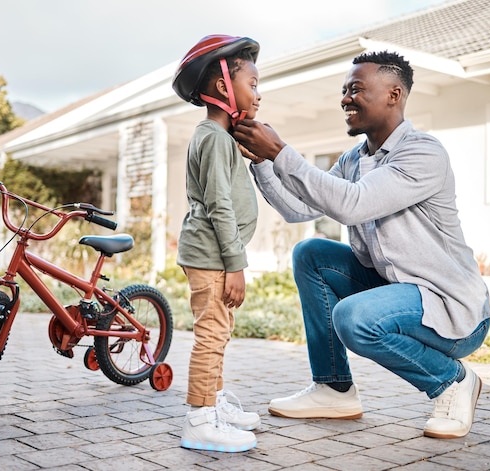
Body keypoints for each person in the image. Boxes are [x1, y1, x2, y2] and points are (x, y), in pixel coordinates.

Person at [233, 50, 490, 439]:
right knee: (312, 254)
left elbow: (353, 204)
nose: (345, 99)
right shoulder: (355, 158)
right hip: (398, 293)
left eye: (356, 89)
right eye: (344, 91)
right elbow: (298, 209)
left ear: (394, 94)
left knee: (355, 318)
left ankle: (452, 382)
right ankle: (333, 388)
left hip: (451, 307)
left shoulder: (423, 152)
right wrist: (263, 163)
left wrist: (281, 151)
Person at [171, 34, 262, 452]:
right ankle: (200, 420)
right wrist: (237, 263)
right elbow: (219, 206)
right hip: (213, 257)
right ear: (225, 87)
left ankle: (215, 403)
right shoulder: (211, 137)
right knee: (211, 335)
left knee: (219, 333)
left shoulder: (221, 138)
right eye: (254, 84)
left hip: (214, 255)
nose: (258, 94)